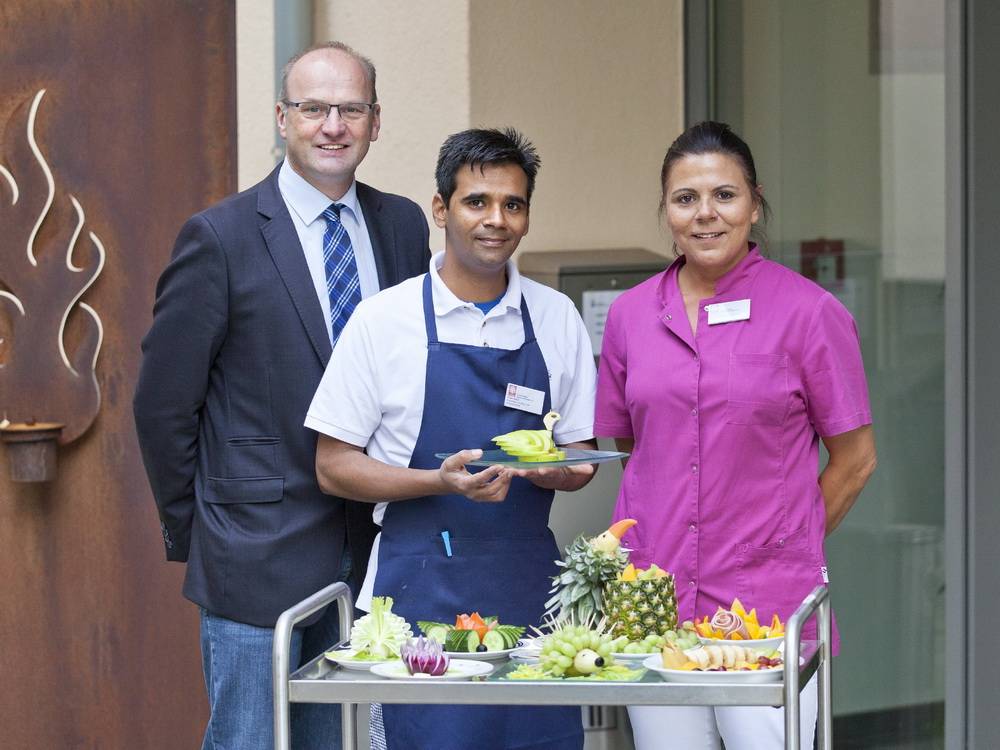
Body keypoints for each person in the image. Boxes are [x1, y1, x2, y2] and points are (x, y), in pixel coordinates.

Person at [132, 42, 430, 750]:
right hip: (253, 559)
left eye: (350, 108)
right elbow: (163, 405)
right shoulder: (220, 237)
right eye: (313, 108)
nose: (333, 125)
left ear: (375, 121)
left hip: (380, 557)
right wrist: (202, 529)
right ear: (281, 119)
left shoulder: (403, 226)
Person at [305, 127, 596, 750]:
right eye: (477, 202)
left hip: (530, 592)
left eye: (513, 205)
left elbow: (580, 456)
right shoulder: (383, 321)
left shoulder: (555, 318)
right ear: (441, 209)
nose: (496, 220)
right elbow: (332, 466)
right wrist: (438, 482)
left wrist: (548, 470)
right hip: (419, 594)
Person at [595, 121, 877, 750]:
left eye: (724, 195)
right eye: (685, 198)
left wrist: (784, 539)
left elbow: (856, 460)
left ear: (754, 203)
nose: (705, 215)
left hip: (765, 610)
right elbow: (628, 446)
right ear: (666, 210)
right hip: (654, 606)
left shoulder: (809, 313)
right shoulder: (630, 316)